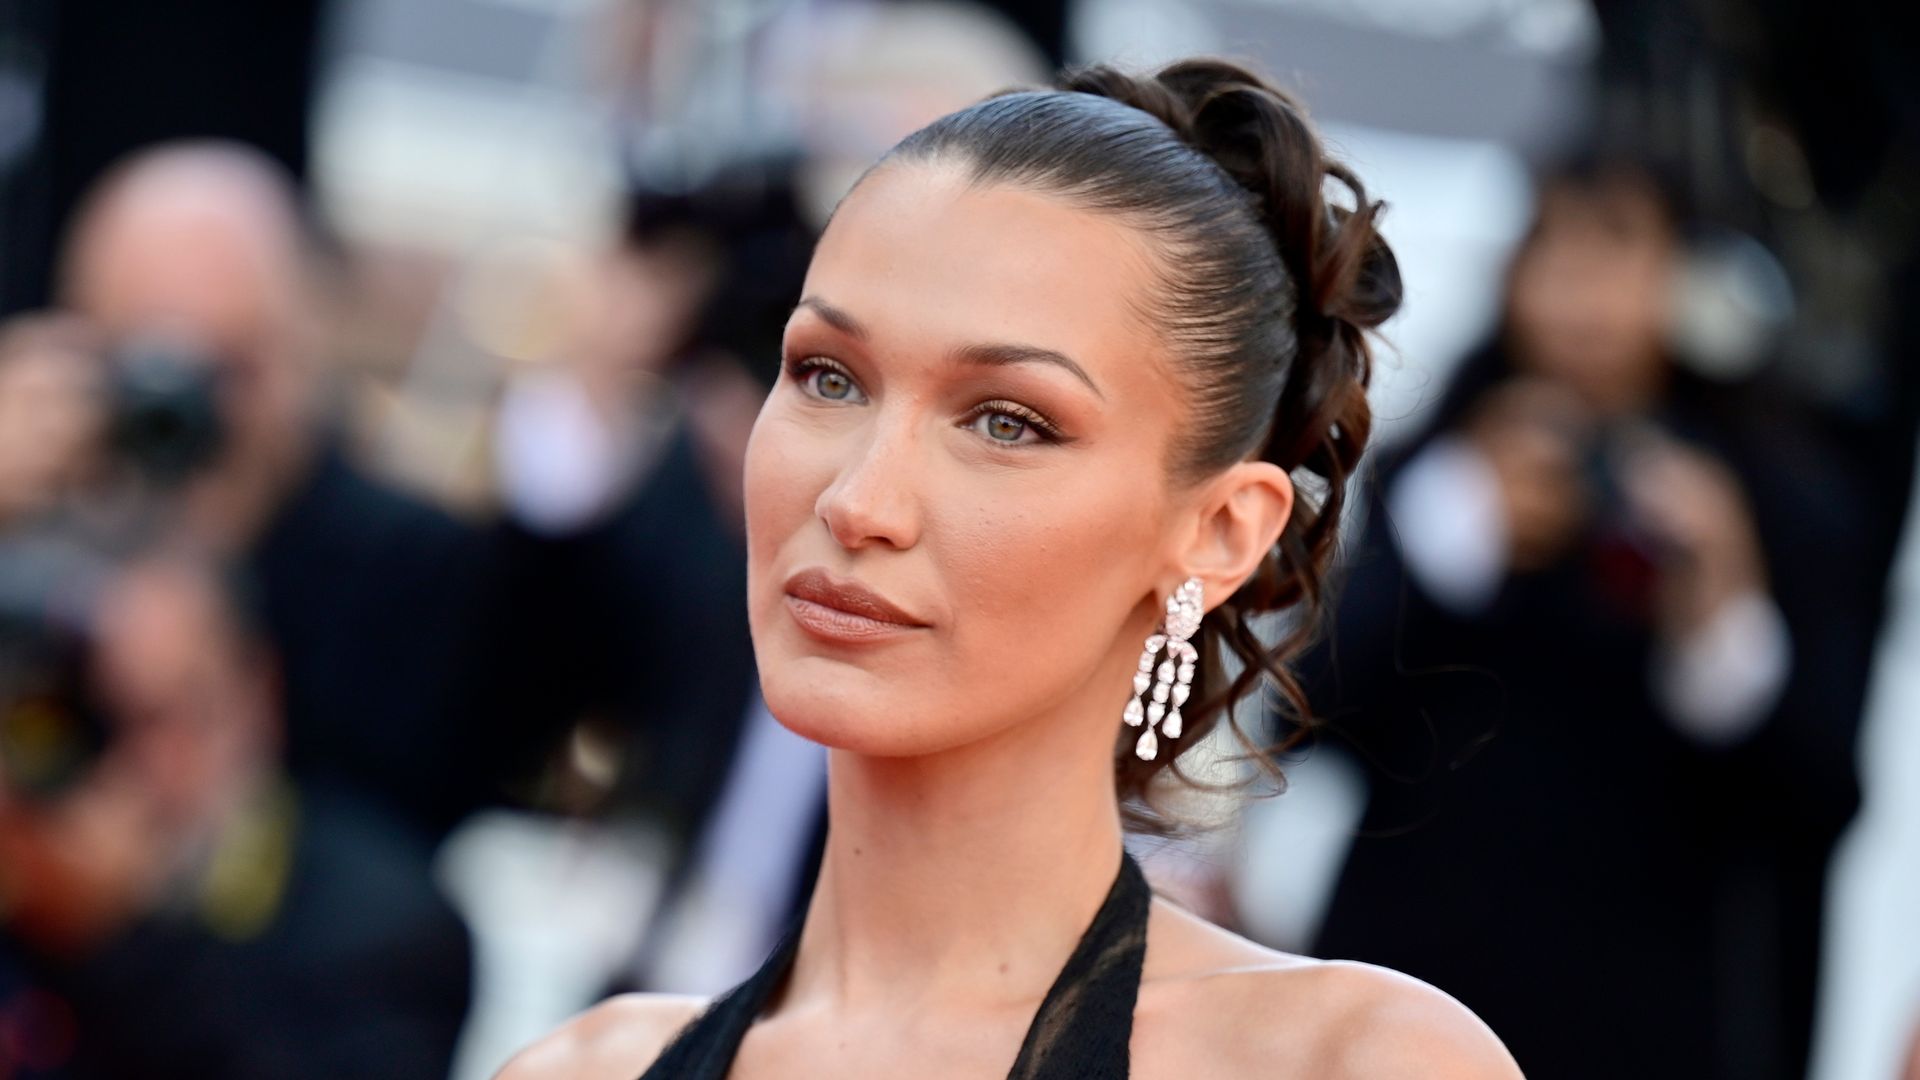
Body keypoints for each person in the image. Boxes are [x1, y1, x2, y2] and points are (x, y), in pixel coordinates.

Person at [498, 59, 1520, 1079]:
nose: (858, 500)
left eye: (1008, 421)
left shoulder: (1349, 1064)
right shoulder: (580, 1070)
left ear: (1217, 532)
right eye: (827, 376)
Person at [1297, 161, 1879, 1079]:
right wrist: (1457, 534)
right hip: (1416, 988)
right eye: (1554, 247)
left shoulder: (1778, 492)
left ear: (1685, 276)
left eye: (1618, 248)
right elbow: (1307, 716)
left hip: (1646, 1013)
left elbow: (1819, 800)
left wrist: (1722, 611)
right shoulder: (1441, 460)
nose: (1582, 293)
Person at [55, 142, 498, 839]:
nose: (196, 419)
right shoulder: (39, 533)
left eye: (234, 367)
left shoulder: (422, 570)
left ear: (303, 346)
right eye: (154, 371)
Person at [0, 536, 470, 1078]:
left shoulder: (388, 927)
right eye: (100, 721)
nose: (140, 765)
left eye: (169, 716)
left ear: (259, 689)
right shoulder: (35, 887)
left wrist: (117, 944)